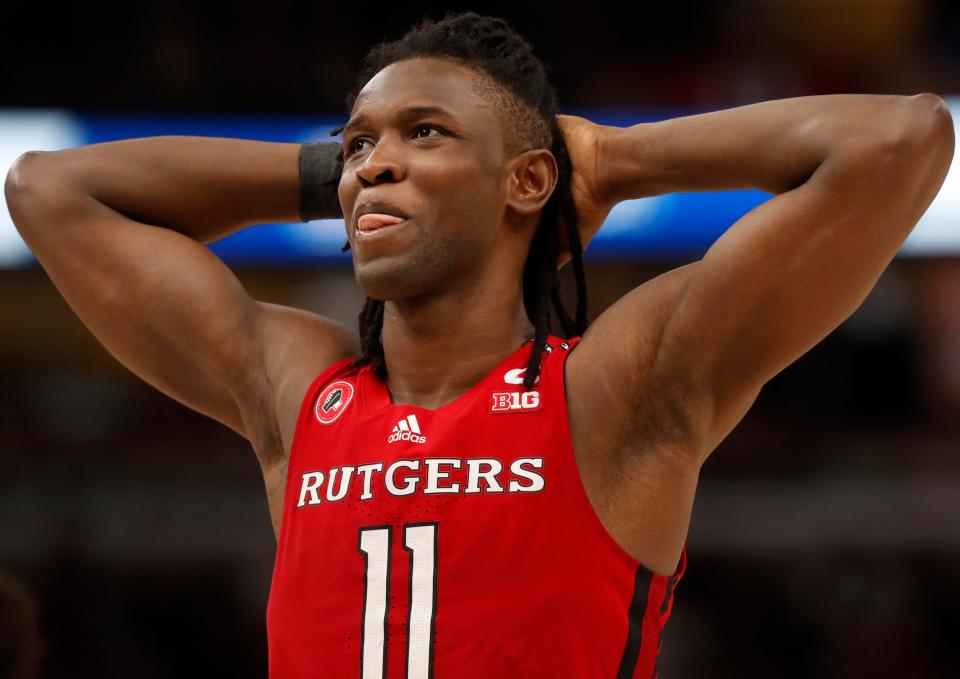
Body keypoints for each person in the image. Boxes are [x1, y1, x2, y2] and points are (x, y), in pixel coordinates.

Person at [4, 9, 953, 679]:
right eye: (359, 142)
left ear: (530, 180)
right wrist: (345, 169)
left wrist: (618, 159)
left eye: (424, 132)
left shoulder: (615, 390)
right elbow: (48, 191)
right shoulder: (301, 392)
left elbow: (898, 141)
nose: (376, 162)